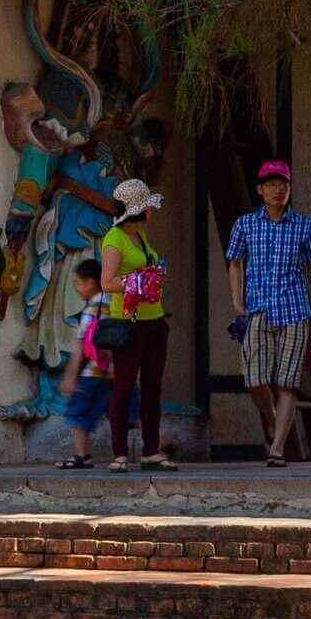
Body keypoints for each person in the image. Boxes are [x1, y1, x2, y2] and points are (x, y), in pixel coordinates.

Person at [224, 159, 311, 470]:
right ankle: (271, 420)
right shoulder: (245, 224)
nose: (277, 189)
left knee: (287, 382)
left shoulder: (305, 225)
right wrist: (237, 303)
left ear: (289, 187)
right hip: (257, 310)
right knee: (255, 380)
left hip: (295, 310)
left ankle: (278, 447)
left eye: (282, 183)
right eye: (270, 184)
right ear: (260, 189)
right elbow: (235, 262)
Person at [97, 178, 175, 469]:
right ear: (136, 209)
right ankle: (119, 453)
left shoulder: (139, 236)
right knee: (124, 386)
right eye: (147, 207)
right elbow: (107, 282)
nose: (151, 212)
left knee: (153, 388)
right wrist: (138, 282)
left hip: (154, 319)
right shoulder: (115, 239)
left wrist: (154, 276)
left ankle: (151, 450)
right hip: (128, 323)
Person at [55, 259, 115, 469]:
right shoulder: (112, 302)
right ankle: (162, 442)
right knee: (130, 412)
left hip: (93, 372)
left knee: (77, 411)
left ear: (90, 283)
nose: (77, 289)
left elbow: (81, 344)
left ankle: (82, 455)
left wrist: (71, 376)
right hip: (113, 372)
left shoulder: (92, 309)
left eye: (77, 284)